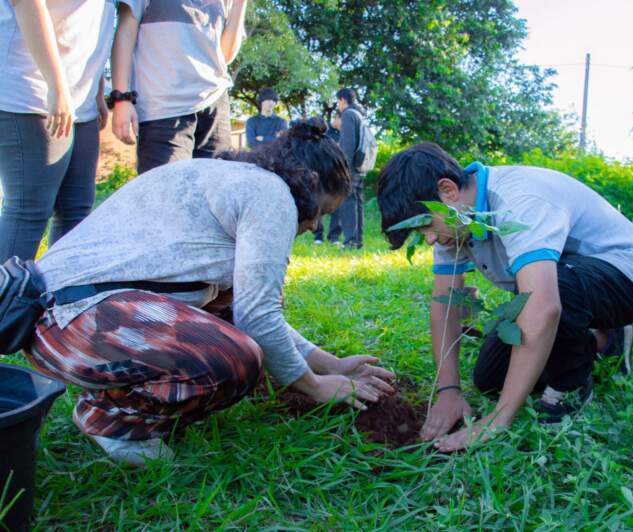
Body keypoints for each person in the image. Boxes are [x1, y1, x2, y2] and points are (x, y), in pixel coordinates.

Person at [26, 119, 395, 466]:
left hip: (53, 323)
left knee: (226, 301)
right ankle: (113, 422)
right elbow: (258, 318)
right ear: (308, 184)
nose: (314, 224)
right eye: (321, 211)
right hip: (73, 323)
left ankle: (114, 397)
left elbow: (242, 308)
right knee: (235, 357)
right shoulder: (273, 195)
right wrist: (315, 386)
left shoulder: (229, 179)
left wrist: (332, 364)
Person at [376, 143, 633, 452]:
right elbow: (445, 305)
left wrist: (499, 419)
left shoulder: (518, 199)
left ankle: (571, 386)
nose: (429, 239)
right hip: (558, 285)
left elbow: (544, 306)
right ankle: (603, 343)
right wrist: (448, 391)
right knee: (490, 378)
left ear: (448, 191)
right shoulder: (454, 220)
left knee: (552, 290)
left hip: (626, 276)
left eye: (426, 226)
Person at [0, 0, 116, 261]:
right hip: (31, 93)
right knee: (28, 211)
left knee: (76, 210)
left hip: (78, 98)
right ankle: (8, 298)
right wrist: (56, 85)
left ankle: (61, 298)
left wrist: (97, 86)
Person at [110, 0, 247, 174]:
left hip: (215, 105)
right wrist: (121, 98)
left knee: (215, 194)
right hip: (164, 109)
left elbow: (224, 56)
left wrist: (240, 4)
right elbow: (125, 30)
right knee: (165, 196)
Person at [333, 88, 367, 249]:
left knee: (347, 204)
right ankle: (357, 241)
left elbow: (348, 145)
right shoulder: (359, 114)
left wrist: (343, 168)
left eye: (338, 102)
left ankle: (350, 242)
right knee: (357, 204)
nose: (338, 106)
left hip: (350, 167)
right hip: (361, 166)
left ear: (342, 100)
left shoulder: (348, 114)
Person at [314, 111, 343, 244]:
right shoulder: (324, 134)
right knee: (319, 205)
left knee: (337, 207)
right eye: (342, 121)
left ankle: (334, 237)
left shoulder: (345, 135)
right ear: (337, 118)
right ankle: (318, 236)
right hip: (321, 174)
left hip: (337, 175)